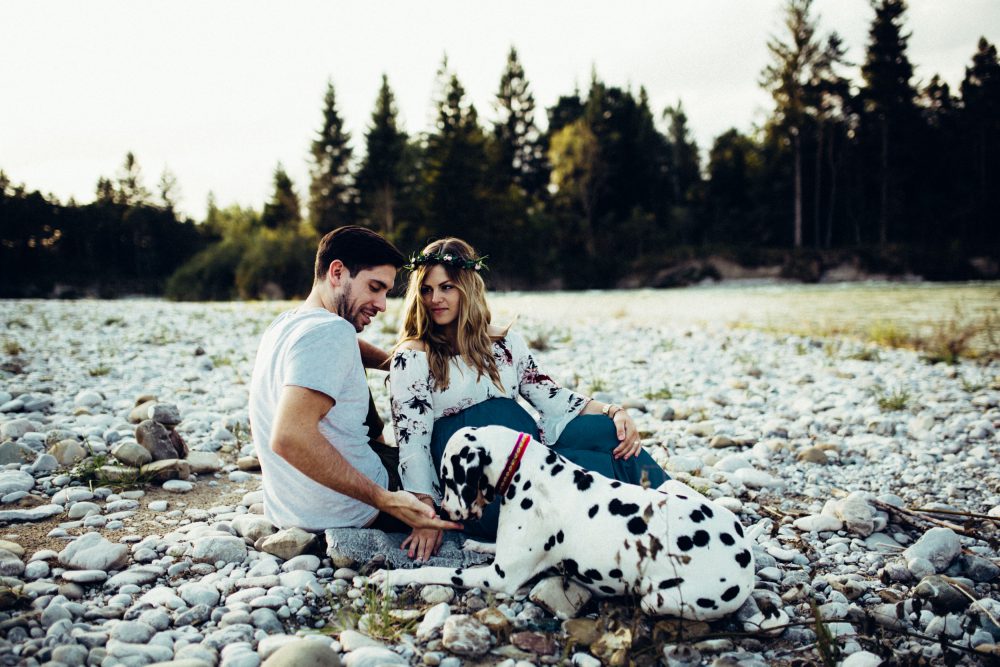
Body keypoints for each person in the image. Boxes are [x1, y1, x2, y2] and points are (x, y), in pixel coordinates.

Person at [389, 237, 668, 557]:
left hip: (529, 458)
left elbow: (552, 396)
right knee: (591, 473)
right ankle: (652, 518)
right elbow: (412, 441)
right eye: (426, 289)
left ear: (468, 287)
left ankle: (673, 506)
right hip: (478, 488)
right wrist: (423, 514)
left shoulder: (505, 344)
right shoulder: (412, 357)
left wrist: (614, 411)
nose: (434, 298)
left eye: (446, 287)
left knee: (608, 432)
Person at [248, 226, 460, 540]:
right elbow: (289, 436)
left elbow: (345, 351)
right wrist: (385, 500)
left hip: (290, 510)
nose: (382, 303)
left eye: (386, 292)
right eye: (375, 287)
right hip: (353, 509)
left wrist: (393, 363)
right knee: (463, 459)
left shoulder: (287, 324)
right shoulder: (332, 333)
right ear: (337, 272)